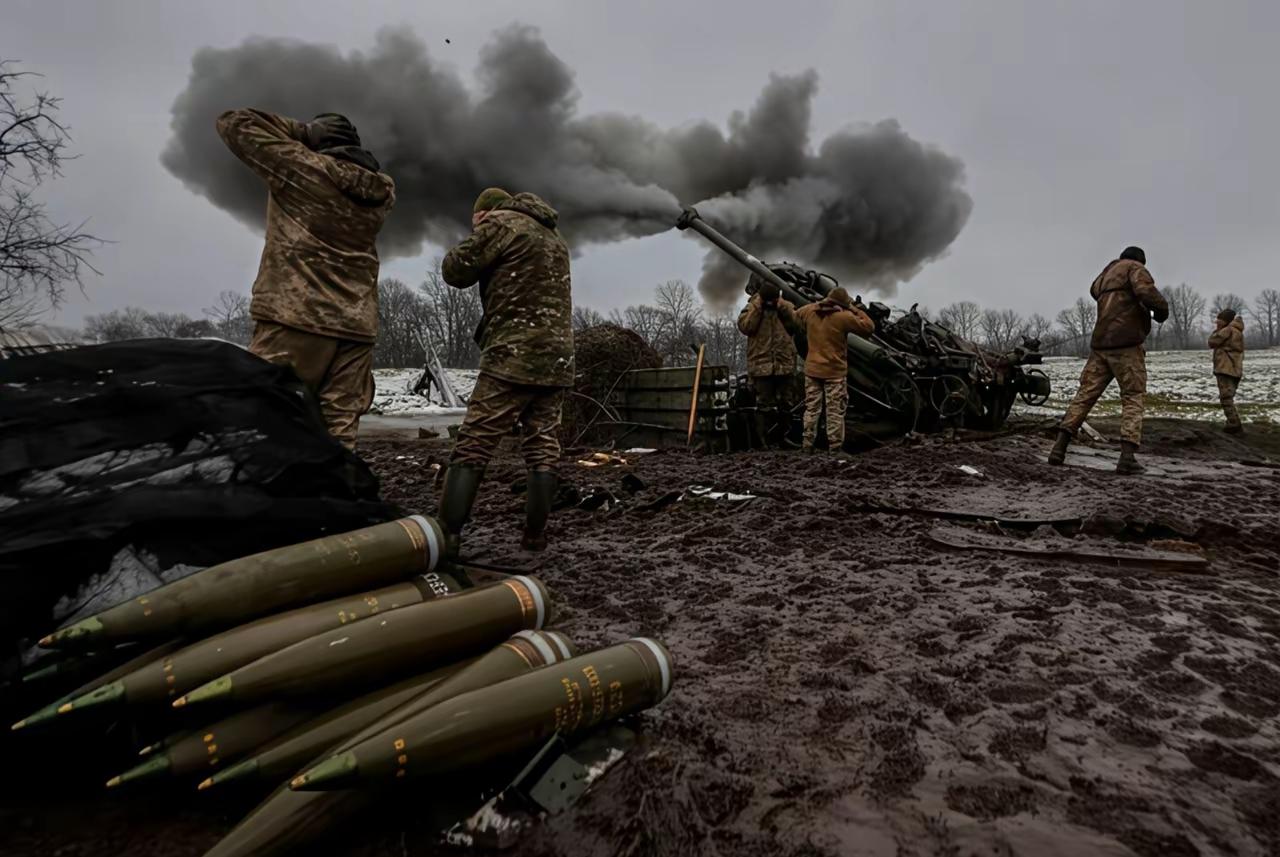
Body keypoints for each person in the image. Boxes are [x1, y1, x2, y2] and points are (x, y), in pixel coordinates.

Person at [216, 109, 395, 451]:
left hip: (297, 317)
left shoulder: (303, 168)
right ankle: (335, 500)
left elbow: (234, 122)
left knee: (264, 422)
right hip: (356, 326)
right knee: (339, 435)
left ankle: (269, 501)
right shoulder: (383, 192)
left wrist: (300, 131)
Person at [437, 188, 573, 555]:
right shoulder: (554, 237)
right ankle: (535, 537)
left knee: (474, 443)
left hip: (513, 355)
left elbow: (454, 270)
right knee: (543, 447)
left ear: (485, 211)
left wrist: (482, 228)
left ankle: (446, 537)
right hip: (557, 358)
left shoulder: (501, 223)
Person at [1048, 246, 1168, 474]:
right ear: (1140, 261)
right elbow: (1146, 292)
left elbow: (1094, 291)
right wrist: (1162, 310)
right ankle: (1127, 457)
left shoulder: (1105, 274)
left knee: (1084, 396)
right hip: (1127, 345)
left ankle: (1059, 449)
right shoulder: (1135, 268)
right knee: (1133, 397)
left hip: (1101, 345)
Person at [794, 287, 874, 453]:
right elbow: (869, 327)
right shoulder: (843, 317)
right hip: (834, 372)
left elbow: (795, 316)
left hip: (812, 370)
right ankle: (835, 448)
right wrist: (853, 308)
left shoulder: (810, 311)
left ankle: (807, 446)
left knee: (811, 410)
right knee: (834, 412)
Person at [736, 275, 799, 447]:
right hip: (762, 366)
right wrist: (758, 303)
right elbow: (746, 327)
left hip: (783, 364)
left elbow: (798, 323)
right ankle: (764, 441)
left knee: (786, 404)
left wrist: (781, 304)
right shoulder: (752, 308)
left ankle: (783, 438)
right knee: (764, 405)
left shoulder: (785, 308)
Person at [1208, 308, 1245, 434]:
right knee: (1229, 395)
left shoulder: (1227, 331)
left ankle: (1233, 423)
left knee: (1225, 397)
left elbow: (1212, 341)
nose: (1217, 323)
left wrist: (1217, 330)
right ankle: (1234, 421)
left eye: (1219, 321)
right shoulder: (1238, 331)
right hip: (1235, 368)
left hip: (1225, 368)